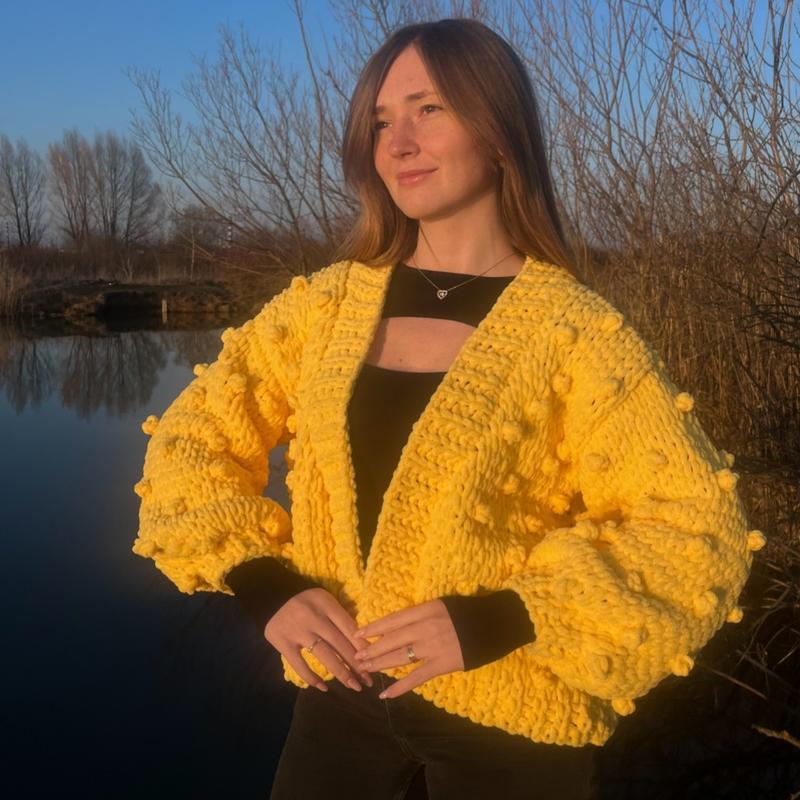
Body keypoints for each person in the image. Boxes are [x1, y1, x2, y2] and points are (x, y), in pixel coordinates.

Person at [132, 18, 761, 800]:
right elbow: (192, 444)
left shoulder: (576, 334)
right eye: (380, 122)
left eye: (429, 109)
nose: (397, 143)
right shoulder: (323, 308)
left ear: (498, 129)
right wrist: (267, 583)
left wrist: (502, 618)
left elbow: (695, 529)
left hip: (513, 722)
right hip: (336, 702)